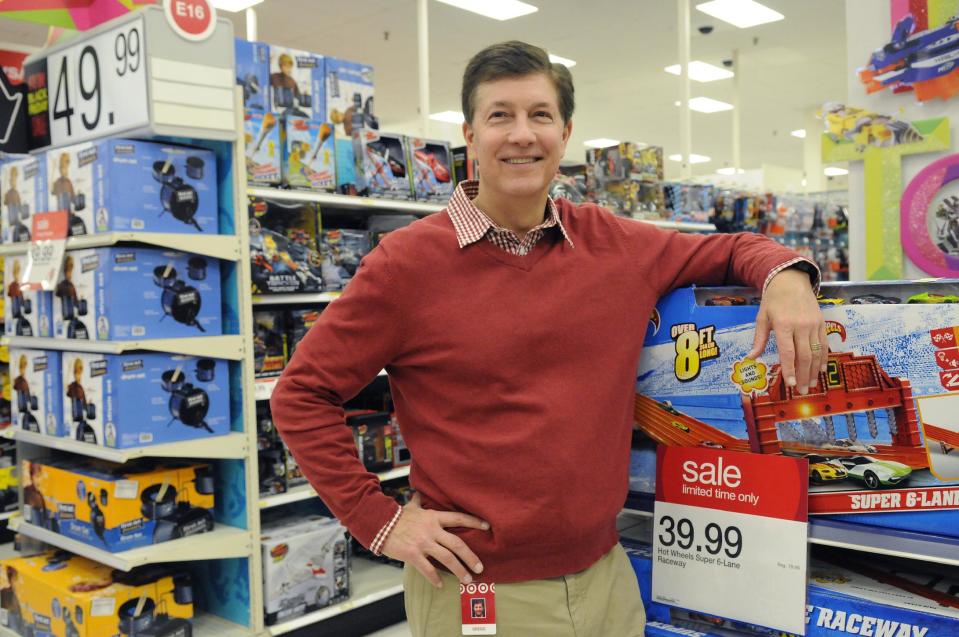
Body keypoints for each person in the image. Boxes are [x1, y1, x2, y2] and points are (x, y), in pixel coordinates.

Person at [271, 41, 825, 636]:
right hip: (477, 590)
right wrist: (378, 521)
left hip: (607, 578)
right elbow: (300, 395)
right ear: (470, 135)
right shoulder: (405, 265)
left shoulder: (616, 246)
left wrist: (787, 277)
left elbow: (734, 246)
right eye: (499, 115)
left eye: (539, 115)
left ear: (565, 133)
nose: (521, 134)